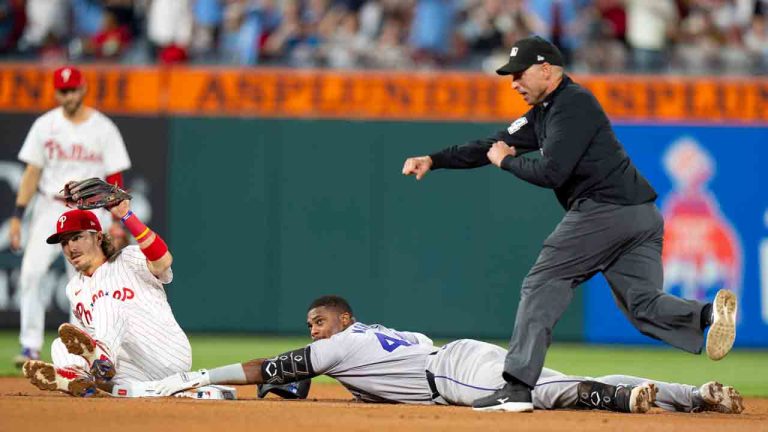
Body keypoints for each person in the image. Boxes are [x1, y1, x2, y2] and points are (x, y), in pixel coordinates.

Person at [400, 35, 738, 412]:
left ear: (546, 69)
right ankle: (708, 315)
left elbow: (552, 171)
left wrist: (506, 162)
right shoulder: (545, 111)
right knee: (642, 304)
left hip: (605, 210)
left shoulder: (571, 105)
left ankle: (516, 389)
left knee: (544, 281)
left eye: (519, 74)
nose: (513, 83)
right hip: (640, 216)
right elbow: (492, 143)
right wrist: (434, 158)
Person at [152, 295, 744, 415]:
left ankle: (622, 399)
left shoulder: (341, 343)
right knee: (558, 379)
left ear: (343, 320)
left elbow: (272, 371)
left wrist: (200, 375)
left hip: (452, 372)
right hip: (454, 359)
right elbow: (291, 381)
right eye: (309, 325)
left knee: (535, 394)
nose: (313, 332)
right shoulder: (358, 343)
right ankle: (692, 396)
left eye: (320, 322)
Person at [9, 66, 132, 367]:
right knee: (30, 273)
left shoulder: (103, 127)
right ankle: (29, 347)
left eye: (73, 89)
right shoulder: (44, 125)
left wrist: (116, 220)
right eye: (63, 90)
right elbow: (31, 172)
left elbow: (115, 174)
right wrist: (17, 216)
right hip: (51, 206)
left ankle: (83, 350)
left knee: (88, 281)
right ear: (56, 92)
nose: (69, 95)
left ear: (83, 89)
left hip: (90, 210)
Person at [22, 199, 191, 397]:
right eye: (64, 242)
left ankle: (100, 357)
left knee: (107, 301)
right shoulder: (74, 289)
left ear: (98, 238)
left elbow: (163, 261)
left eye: (77, 237)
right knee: (60, 345)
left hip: (167, 354)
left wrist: (127, 216)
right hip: (133, 371)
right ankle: (78, 380)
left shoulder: (127, 259)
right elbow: (84, 337)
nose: (70, 247)